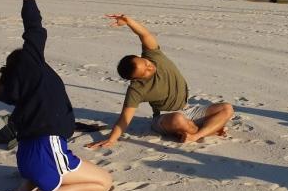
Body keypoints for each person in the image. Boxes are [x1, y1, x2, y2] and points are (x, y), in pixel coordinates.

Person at [0, 0, 112, 191]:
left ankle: (26, 186)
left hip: (26, 157)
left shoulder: (19, 94)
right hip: (47, 151)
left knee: (49, 169)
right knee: (104, 182)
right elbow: (33, 27)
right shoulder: (32, 66)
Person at [85, 14, 233, 148]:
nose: (150, 67)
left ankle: (197, 134)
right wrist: (112, 139)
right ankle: (209, 130)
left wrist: (129, 21)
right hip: (164, 118)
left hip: (188, 109)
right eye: (146, 71)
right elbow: (124, 119)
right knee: (178, 119)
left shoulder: (153, 56)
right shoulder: (136, 89)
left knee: (227, 108)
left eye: (146, 63)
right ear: (136, 78)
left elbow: (144, 34)